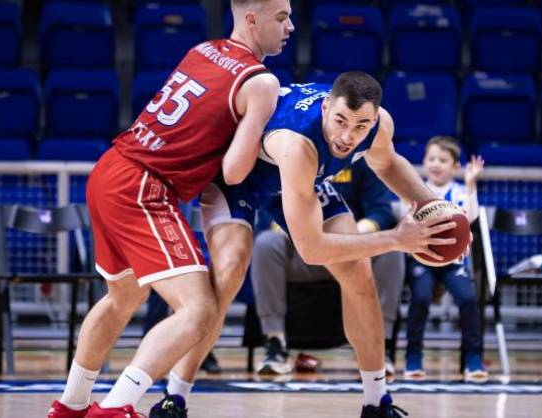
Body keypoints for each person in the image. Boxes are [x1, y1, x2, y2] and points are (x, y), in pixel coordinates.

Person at [46, 1, 294, 417]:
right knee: (199, 311)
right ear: (252, 19)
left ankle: (70, 406)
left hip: (109, 170)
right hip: (144, 186)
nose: (291, 27)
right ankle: (116, 408)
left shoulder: (203, 49)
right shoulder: (261, 82)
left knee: (122, 297)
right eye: (282, 17)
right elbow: (234, 172)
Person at [168, 72, 461, 418]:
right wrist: (397, 239)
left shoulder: (379, 125)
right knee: (230, 272)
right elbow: (312, 250)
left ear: (374, 119)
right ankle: (174, 398)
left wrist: (439, 213)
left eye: (361, 126)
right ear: (325, 108)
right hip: (242, 178)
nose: (348, 136)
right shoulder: (299, 143)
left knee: (359, 272)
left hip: (300, 180)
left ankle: (376, 402)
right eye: (341, 121)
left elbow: (388, 164)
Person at [251, 159, 406, 376]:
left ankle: (382, 347)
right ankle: (275, 343)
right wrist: (297, 231)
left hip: (354, 252)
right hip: (305, 254)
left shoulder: (362, 161)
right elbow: (266, 216)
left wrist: (352, 237)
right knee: (265, 243)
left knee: (392, 252)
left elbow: (381, 212)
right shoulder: (292, 155)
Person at [399, 136, 488, 383]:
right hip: (423, 259)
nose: (436, 164)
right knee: (420, 298)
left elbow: (469, 217)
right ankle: (413, 357)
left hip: (453, 260)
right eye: (431, 159)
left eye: (443, 160)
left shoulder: (458, 192)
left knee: (468, 300)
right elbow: (404, 220)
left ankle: (473, 359)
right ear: (424, 162)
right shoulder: (415, 191)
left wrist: (471, 185)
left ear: (455, 167)